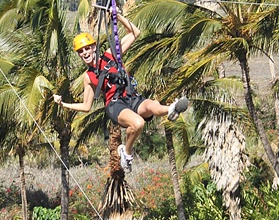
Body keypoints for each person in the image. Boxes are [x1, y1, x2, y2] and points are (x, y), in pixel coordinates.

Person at [53, 24, 188, 172]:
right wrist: (64, 104)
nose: (85, 53)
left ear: (93, 47)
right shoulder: (89, 77)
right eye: (81, 51)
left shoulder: (110, 54)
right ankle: (127, 152)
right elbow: (86, 107)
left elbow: (135, 32)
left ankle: (171, 109)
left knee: (152, 105)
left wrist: (117, 16)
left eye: (87, 48)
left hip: (131, 96)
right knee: (138, 123)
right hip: (115, 105)